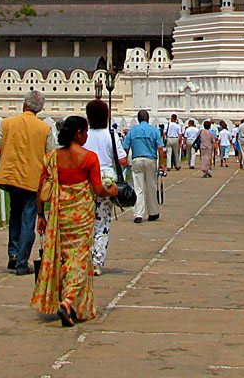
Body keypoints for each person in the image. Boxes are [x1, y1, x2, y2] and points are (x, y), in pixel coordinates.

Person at [33, 115, 118, 327]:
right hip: (81, 217)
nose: (87, 136)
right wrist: (111, 191)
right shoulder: (89, 158)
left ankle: (69, 304)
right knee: (79, 260)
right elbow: (98, 189)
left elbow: (41, 188)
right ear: (78, 133)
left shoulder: (52, 157)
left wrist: (41, 215)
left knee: (62, 258)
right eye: (85, 132)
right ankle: (68, 301)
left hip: (59, 216)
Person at [0, 90, 57, 276]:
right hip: (32, 179)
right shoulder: (44, 128)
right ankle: (22, 262)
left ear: (24, 105)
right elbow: (50, 154)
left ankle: (13, 254)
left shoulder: (7, 123)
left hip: (11, 177)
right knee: (28, 219)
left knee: (15, 215)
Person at [83, 99, 126, 276]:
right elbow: (122, 160)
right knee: (102, 223)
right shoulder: (111, 135)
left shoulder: (83, 135)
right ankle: (97, 261)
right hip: (106, 181)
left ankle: (82, 259)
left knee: (85, 222)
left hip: (85, 181)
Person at [122, 110, 164, 223]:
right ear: (148, 119)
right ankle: (153, 212)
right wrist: (162, 164)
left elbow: (125, 147)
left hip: (137, 159)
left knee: (138, 187)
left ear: (138, 119)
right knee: (151, 186)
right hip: (151, 159)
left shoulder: (132, 131)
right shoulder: (154, 131)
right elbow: (160, 149)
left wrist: (125, 160)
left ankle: (138, 214)